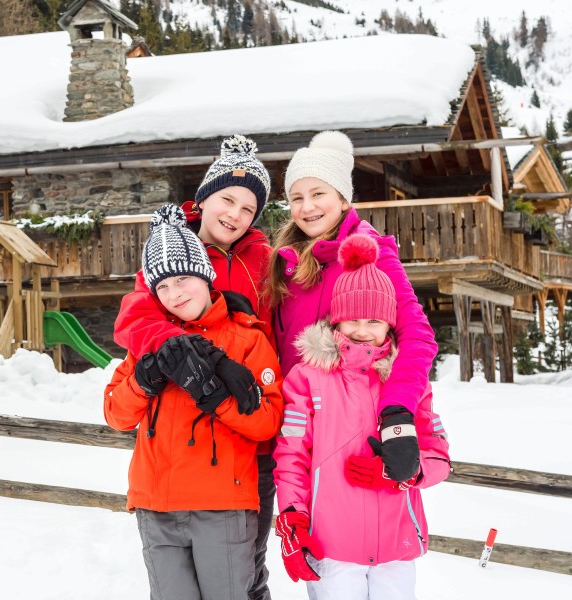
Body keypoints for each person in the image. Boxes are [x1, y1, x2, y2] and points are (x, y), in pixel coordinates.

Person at [113, 134, 279, 599]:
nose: (235, 215)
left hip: (246, 437)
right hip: (175, 455)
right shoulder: (170, 252)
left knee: (248, 569)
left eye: (249, 209)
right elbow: (136, 317)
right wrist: (194, 354)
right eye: (227, 199)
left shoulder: (264, 260)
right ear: (203, 198)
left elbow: (277, 332)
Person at [272, 233, 451, 600]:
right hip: (332, 546)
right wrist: (292, 515)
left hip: (395, 545)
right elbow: (291, 456)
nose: (363, 330)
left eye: (374, 320)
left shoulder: (408, 381)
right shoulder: (307, 379)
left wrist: (409, 471)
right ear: (336, 320)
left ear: (390, 325)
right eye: (352, 318)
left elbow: (439, 454)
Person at [266, 130, 438, 485]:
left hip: (346, 427)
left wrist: (396, 411)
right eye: (296, 197)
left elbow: (417, 335)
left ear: (343, 199)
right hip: (292, 433)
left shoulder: (369, 250)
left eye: (318, 193)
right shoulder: (287, 261)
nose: (307, 207)